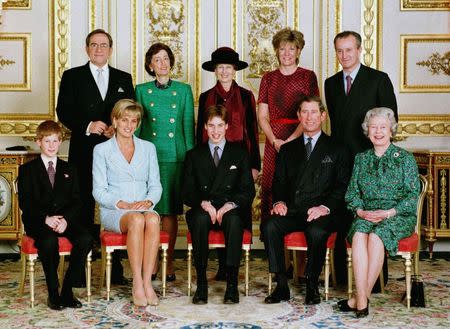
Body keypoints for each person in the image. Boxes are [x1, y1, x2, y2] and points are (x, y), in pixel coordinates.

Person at [56, 28, 134, 285]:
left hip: (116, 152)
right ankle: (80, 269)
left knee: (115, 204)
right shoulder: (72, 76)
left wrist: (116, 127)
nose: (99, 49)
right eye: (94, 45)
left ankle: (116, 270)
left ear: (111, 49)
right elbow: (63, 110)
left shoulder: (124, 77)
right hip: (84, 152)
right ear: (87, 49)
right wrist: (89, 125)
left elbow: (130, 111)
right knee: (83, 207)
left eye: (103, 45)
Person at [324, 30, 398, 287]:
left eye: (349, 50)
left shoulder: (378, 79)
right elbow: (335, 125)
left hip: (371, 163)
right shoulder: (331, 83)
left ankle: (373, 282)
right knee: (344, 215)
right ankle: (343, 280)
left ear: (359, 50)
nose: (344, 55)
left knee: (372, 218)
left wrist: (383, 163)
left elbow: (390, 124)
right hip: (341, 163)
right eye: (339, 50)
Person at [261, 96, 350, 305]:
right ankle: (281, 284)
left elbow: (342, 186)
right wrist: (279, 202)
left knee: (316, 231)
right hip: (295, 210)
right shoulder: (288, 149)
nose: (309, 117)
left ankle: (311, 283)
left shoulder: (338, 148)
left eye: (314, 112)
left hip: (325, 212)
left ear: (322, 116)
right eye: (305, 112)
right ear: (299, 116)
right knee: (270, 225)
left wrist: (324, 207)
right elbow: (279, 182)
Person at [337, 107, 419, 317]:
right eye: (373, 127)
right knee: (358, 234)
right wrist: (360, 210)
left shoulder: (405, 158)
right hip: (367, 213)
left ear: (391, 130)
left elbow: (411, 197)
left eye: (383, 127)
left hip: (397, 215)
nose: (378, 131)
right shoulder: (361, 159)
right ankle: (362, 299)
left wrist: (389, 212)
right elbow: (352, 193)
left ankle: (359, 298)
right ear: (367, 130)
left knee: (376, 237)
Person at [198, 47, 261, 280]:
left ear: (235, 70)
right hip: (212, 161)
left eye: (228, 67)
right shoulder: (206, 97)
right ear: (215, 70)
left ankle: (230, 268)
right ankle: (218, 265)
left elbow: (252, 132)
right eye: (220, 67)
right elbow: (199, 133)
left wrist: (254, 164)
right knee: (213, 210)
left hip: (239, 163)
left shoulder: (246, 96)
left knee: (235, 211)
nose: (224, 71)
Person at [182, 105, 255, 305]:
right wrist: (204, 203)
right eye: (211, 125)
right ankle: (202, 283)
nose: (215, 131)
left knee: (233, 221)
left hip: (229, 208)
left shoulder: (239, 154)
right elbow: (186, 192)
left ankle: (231, 284)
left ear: (227, 127)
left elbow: (248, 190)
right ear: (205, 127)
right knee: (198, 219)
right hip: (203, 208)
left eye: (220, 125)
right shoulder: (193, 155)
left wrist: (230, 205)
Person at [92, 99, 162, 307]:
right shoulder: (102, 150)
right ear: (114, 120)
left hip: (143, 206)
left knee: (151, 218)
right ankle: (137, 283)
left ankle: (148, 282)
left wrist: (148, 201)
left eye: (134, 121)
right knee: (136, 221)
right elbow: (98, 190)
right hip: (115, 211)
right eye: (124, 120)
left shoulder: (148, 148)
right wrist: (120, 203)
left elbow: (156, 186)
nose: (129, 125)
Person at [18, 120, 94, 310]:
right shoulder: (28, 170)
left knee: (85, 238)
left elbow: (77, 201)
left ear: (60, 142)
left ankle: (67, 291)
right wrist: (46, 218)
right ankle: (53, 293)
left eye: (55, 141)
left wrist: (65, 220)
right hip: (39, 221)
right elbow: (25, 203)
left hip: (64, 220)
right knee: (49, 241)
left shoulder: (70, 169)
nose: (51, 146)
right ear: (39, 142)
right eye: (47, 141)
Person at [135, 43, 195, 282]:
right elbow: (137, 129)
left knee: (169, 213)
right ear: (150, 65)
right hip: (149, 157)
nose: (162, 63)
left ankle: (167, 262)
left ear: (171, 62)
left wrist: (190, 160)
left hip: (174, 158)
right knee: (150, 210)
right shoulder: (141, 90)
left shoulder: (183, 90)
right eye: (157, 60)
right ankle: (150, 263)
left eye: (166, 59)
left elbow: (187, 128)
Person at [257, 27, 319, 228]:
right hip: (273, 139)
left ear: (299, 51)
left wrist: (290, 141)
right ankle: (272, 237)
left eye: (291, 49)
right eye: (282, 48)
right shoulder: (268, 78)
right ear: (276, 51)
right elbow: (262, 116)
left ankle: (296, 239)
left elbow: (311, 114)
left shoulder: (308, 77)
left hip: (300, 137)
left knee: (298, 184)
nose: (286, 53)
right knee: (270, 185)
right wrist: (275, 140)